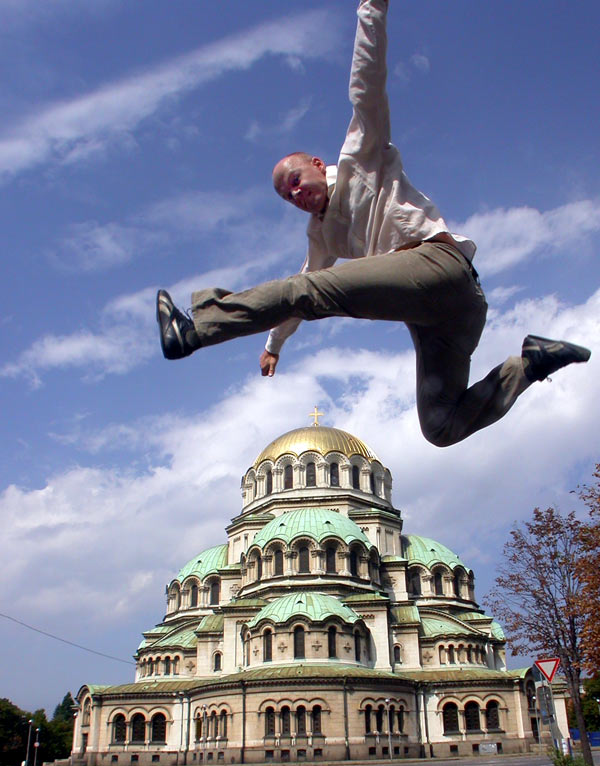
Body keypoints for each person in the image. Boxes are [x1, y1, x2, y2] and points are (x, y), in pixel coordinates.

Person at [157, 0, 590, 447]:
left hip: (437, 264)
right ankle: (531, 363)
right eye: (287, 197)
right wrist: (274, 345)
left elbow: (366, 81)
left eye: (296, 181)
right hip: (450, 317)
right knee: (439, 427)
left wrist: (372, 8)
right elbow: (304, 283)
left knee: (308, 292)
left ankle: (195, 327)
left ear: (316, 165)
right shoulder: (321, 234)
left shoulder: (360, 156)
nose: (296, 195)